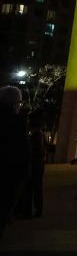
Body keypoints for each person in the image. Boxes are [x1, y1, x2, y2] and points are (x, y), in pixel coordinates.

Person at [0, 86, 29, 242]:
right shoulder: (16, 122)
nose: (20, 106)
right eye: (19, 103)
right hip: (7, 179)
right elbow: (22, 154)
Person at [17, 110, 46, 219]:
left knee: (32, 189)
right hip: (37, 166)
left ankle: (32, 211)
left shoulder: (36, 136)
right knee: (35, 189)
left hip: (35, 166)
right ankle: (34, 210)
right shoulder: (38, 135)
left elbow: (33, 150)